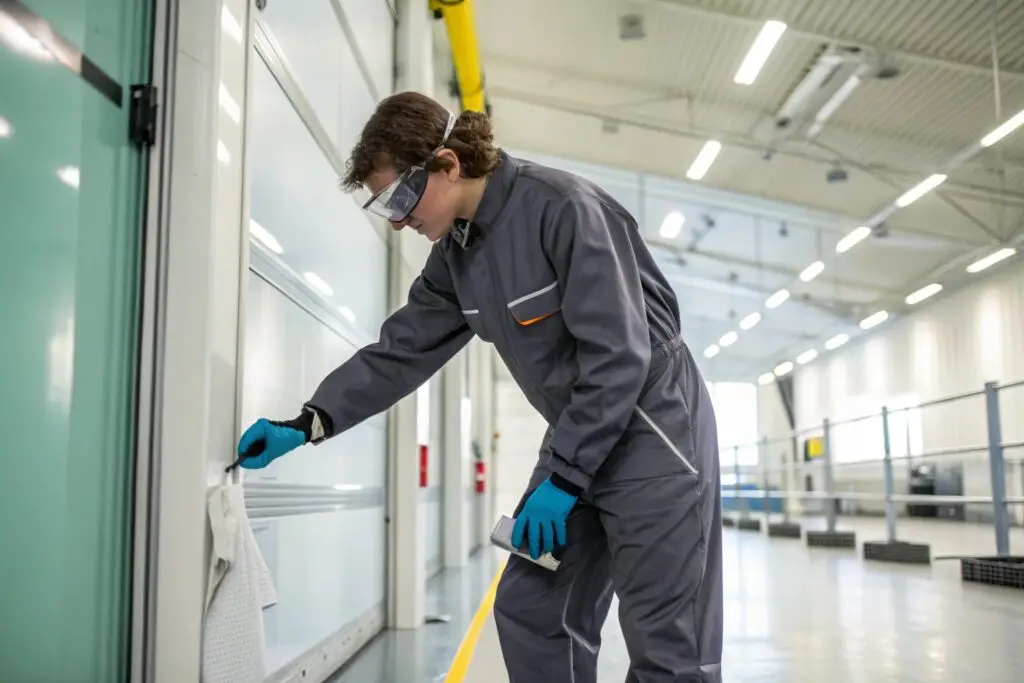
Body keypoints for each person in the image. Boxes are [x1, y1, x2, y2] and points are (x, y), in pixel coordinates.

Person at [236, 91, 723, 683]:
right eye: (382, 205)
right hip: (579, 435)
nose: (397, 218)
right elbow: (401, 350)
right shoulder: (456, 254)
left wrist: (566, 477)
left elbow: (620, 356)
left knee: (667, 638)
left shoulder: (565, 208)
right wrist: (309, 421)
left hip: (655, 429)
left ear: (447, 165)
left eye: (399, 196)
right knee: (533, 607)